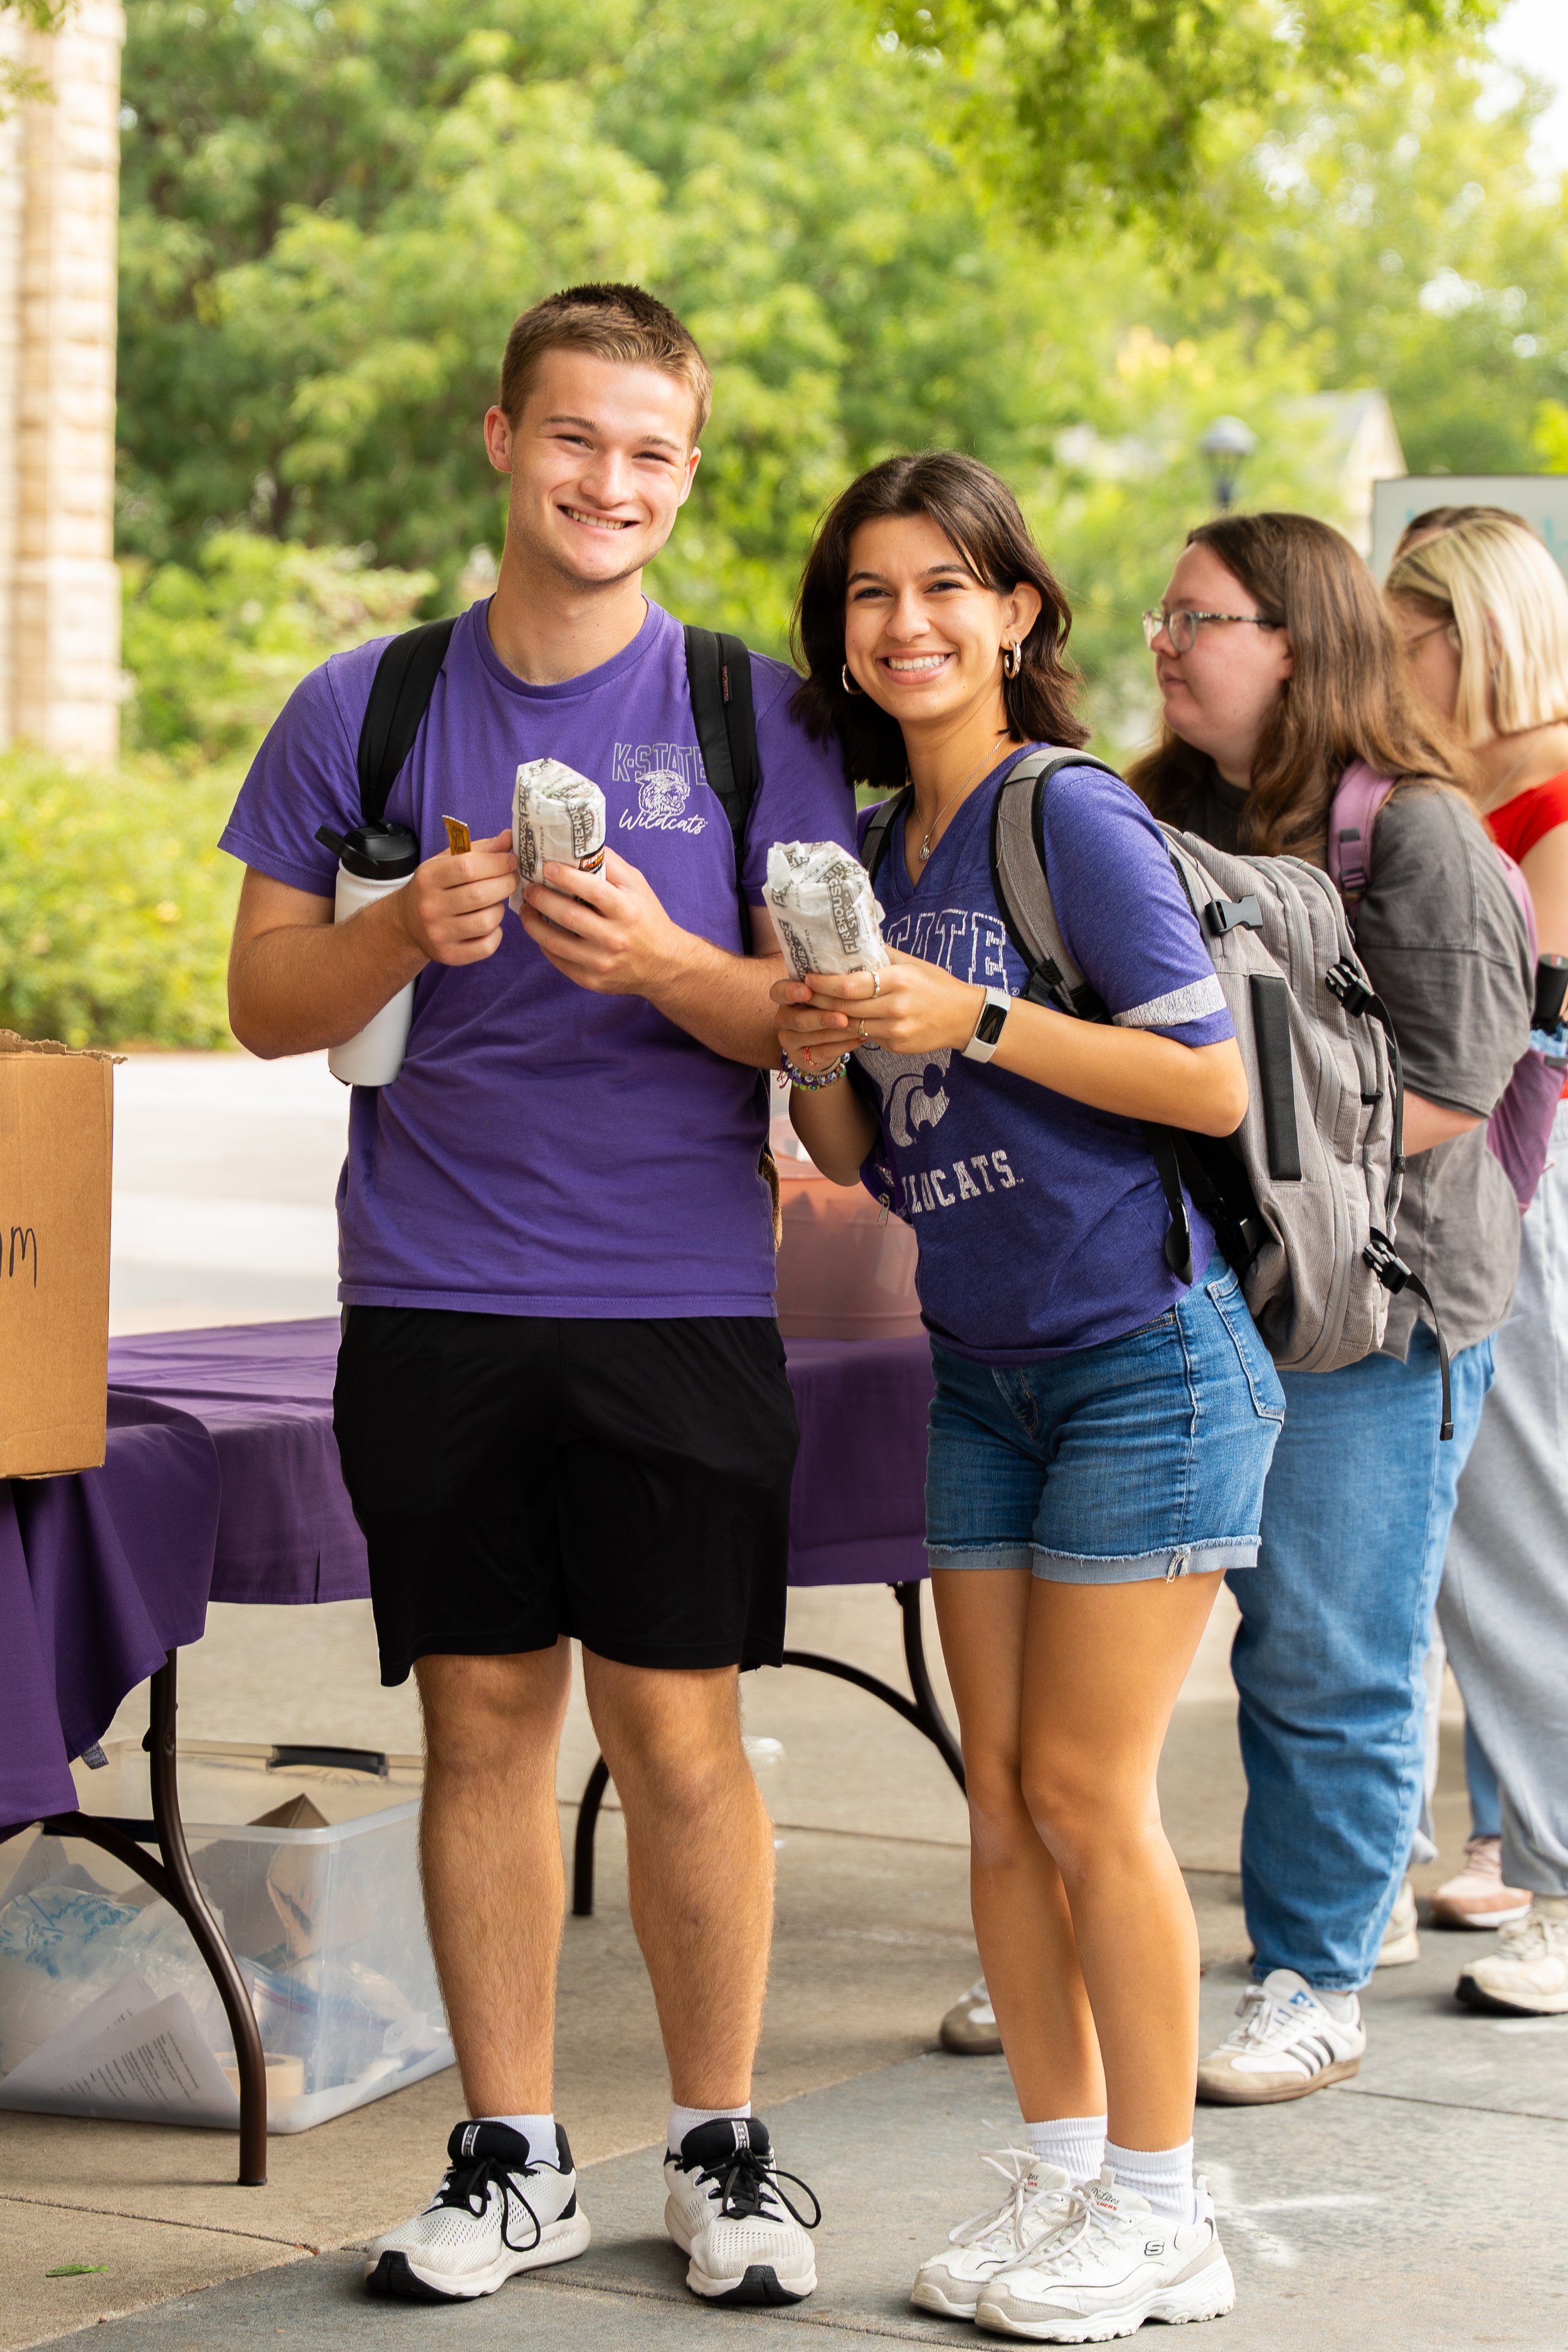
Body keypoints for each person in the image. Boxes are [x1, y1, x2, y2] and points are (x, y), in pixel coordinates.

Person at [220, 283, 850, 2308]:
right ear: (504, 439)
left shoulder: (756, 714)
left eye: (651, 450)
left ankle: (722, 2147)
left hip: (679, 1297)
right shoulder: (366, 705)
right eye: (575, 436)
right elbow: (262, 1003)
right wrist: (408, 925)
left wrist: (665, 963)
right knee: (483, 1728)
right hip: (434, 1292)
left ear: (689, 472)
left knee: (680, 1733)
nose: (611, 480)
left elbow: (820, 1038)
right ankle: (512, 2159)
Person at [778, 450, 1281, 2339]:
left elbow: (1208, 1084)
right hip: (979, 1371)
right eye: (868, 593)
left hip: (1147, 1359)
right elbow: (857, 1152)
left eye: (943, 587)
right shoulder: (863, 853)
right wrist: (816, 1044)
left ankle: (1164, 2210)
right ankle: (1068, 2177)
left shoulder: (1065, 811)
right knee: (997, 1798)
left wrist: (972, 1014)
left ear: (1015, 615)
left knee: (1082, 1789)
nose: (903, 623)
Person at [1130, 512, 1531, 2102]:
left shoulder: (1413, 832)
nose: (1163, 643)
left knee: (1325, 1653)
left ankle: (1314, 1979)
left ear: (1295, 642)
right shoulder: (1154, 810)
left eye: (1198, 618)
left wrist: (1247, 1158)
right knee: (1130, 1640)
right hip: (1199, 1289)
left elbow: (1456, 1086)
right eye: (1163, 616)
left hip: (1372, 1309)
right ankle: (1106, 1953)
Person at [1387, 512, 1568, 2008]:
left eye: (1403, 642)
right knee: (1450, 1537)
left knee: (1523, 1530)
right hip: (1465, 1181)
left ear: (1472, 635)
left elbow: (1517, 1045)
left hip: (1526, 1182)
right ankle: (1502, 1847)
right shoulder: (1446, 796)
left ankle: (1560, 1881)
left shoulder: (1554, 802)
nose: (1386, 671)